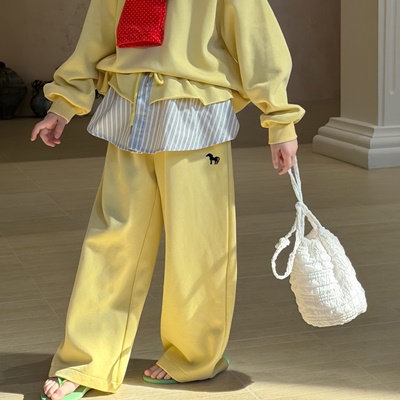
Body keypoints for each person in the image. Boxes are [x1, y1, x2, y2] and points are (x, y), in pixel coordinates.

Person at [31, 0, 305, 399]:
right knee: (111, 240)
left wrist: (280, 122)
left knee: (199, 242)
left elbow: (258, 39)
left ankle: (195, 355)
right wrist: (64, 104)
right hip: (130, 109)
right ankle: (87, 360)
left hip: (196, 114)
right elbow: (97, 36)